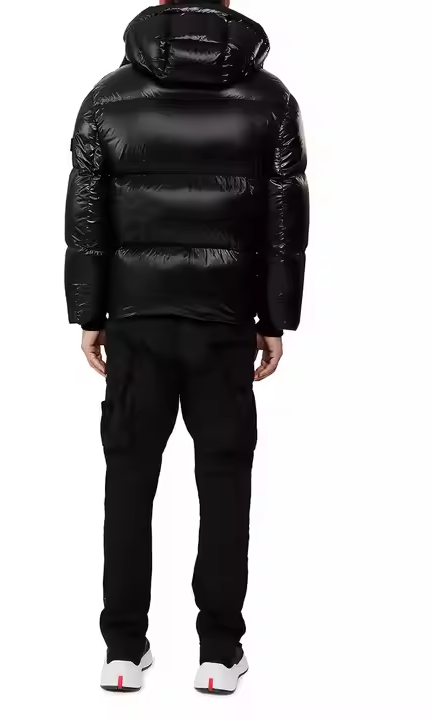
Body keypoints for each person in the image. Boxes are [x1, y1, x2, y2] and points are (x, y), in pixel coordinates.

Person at [65, 0, 309, 695]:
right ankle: (219, 655)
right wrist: (274, 318)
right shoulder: (270, 99)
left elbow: (86, 213)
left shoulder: (108, 97)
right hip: (225, 320)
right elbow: (286, 217)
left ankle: (122, 651)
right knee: (225, 481)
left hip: (136, 318)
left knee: (128, 481)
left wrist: (90, 312)